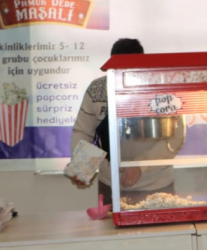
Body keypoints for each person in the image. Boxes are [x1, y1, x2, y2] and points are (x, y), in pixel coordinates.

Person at [70, 38, 185, 208]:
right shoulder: (97, 89)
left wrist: (139, 167)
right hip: (110, 185)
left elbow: (175, 138)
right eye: (116, 70)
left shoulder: (162, 91)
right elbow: (83, 131)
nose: (123, 76)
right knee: (111, 225)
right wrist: (82, 166)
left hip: (156, 186)